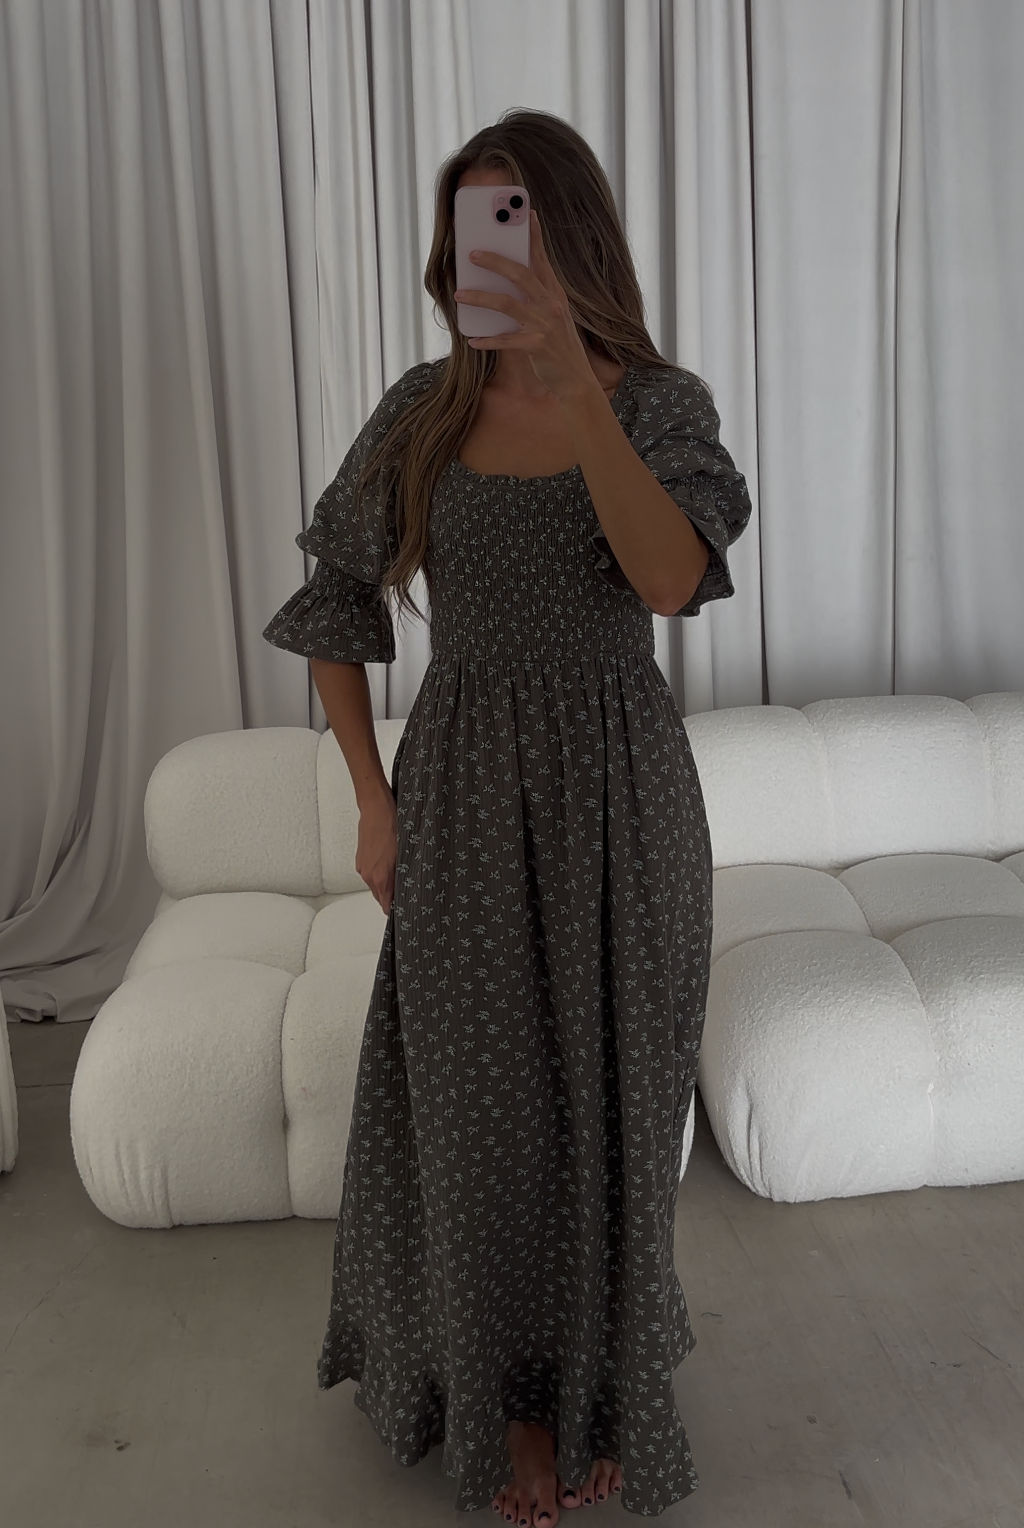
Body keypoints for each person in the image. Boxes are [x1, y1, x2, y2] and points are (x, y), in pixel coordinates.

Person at [262, 108, 751, 1526]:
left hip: (625, 799)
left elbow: (668, 583)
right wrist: (372, 804)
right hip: (464, 796)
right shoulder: (423, 412)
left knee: (620, 1107)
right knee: (483, 1125)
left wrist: (576, 386)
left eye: (517, 224)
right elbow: (333, 610)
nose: (491, 256)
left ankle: (606, 1384)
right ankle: (516, 1404)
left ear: (570, 236)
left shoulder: (659, 406)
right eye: (473, 226)